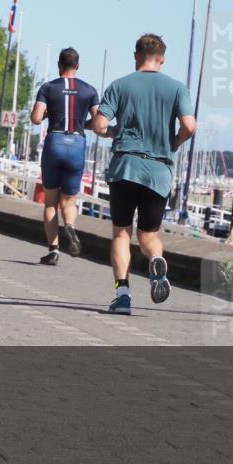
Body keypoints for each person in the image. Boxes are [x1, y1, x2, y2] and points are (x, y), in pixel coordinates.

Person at [92, 33, 195, 314]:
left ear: (136, 55)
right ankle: (155, 261)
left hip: (126, 167)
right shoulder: (177, 88)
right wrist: (173, 143)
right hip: (158, 171)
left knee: (121, 234)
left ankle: (123, 296)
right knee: (149, 235)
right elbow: (189, 126)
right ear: (162, 59)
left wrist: (115, 132)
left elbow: (99, 125)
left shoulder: (120, 85)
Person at [30, 48, 100, 266]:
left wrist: (48, 113)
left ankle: (53, 250)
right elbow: (99, 123)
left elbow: (36, 118)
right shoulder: (89, 90)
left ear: (59, 65)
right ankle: (69, 225)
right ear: (77, 66)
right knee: (69, 200)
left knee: (51, 202)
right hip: (77, 143)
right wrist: (81, 123)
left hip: (55, 141)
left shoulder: (48, 87)